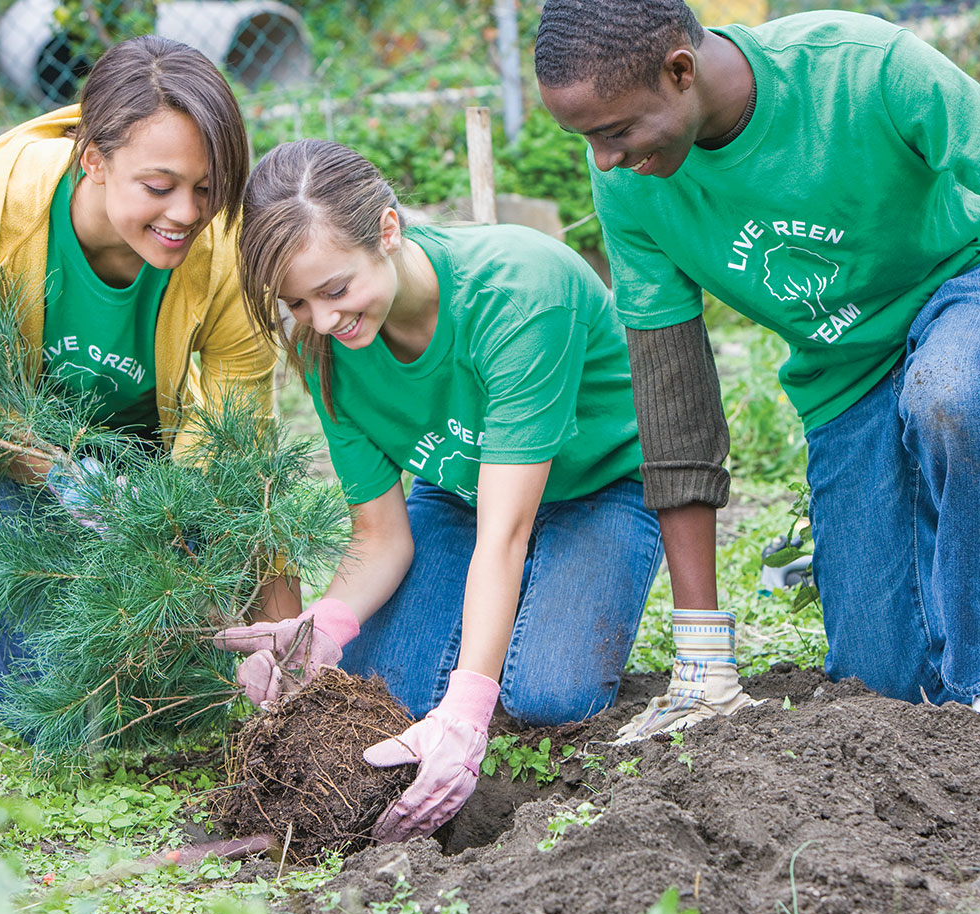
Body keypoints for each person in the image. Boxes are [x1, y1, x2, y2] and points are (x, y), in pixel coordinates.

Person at [533, 0, 980, 752]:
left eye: (614, 133)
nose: (602, 159)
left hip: (979, 275)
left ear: (679, 69)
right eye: (588, 140)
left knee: (951, 391)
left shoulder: (860, 66)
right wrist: (702, 652)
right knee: (883, 680)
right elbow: (676, 407)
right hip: (849, 365)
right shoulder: (630, 182)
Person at [214, 139, 662, 840]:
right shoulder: (320, 345)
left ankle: (559, 595)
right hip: (459, 489)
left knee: (547, 694)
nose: (323, 321)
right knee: (383, 683)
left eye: (334, 290)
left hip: (597, 487)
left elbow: (505, 535)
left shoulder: (518, 295)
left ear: (388, 231)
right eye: (296, 302)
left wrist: (467, 710)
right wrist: (324, 624)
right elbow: (380, 535)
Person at [0, 36, 293, 709]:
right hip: (5, 460)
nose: (186, 214)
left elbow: (242, 449)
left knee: (200, 686)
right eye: (159, 186)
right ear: (92, 158)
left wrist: (281, 632)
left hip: (144, 472)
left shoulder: (226, 253)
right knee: (43, 698)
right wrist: (61, 475)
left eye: (207, 189)